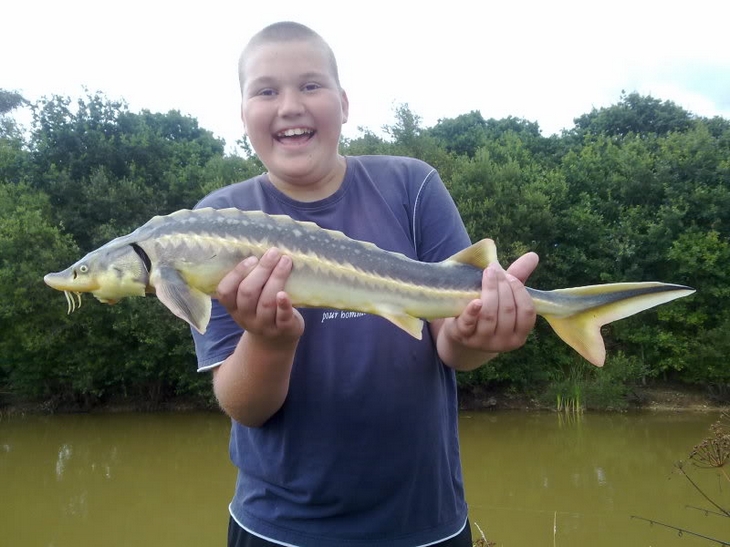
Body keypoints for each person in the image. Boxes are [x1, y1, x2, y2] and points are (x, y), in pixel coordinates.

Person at [192, 21, 539, 547]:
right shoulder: (215, 222)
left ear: (344, 102)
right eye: (266, 90)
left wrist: (476, 336)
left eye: (311, 85)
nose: (289, 105)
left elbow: (452, 348)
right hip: (279, 528)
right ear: (243, 116)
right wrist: (268, 339)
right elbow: (245, 406)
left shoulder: (411, 185)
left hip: (425, 522)